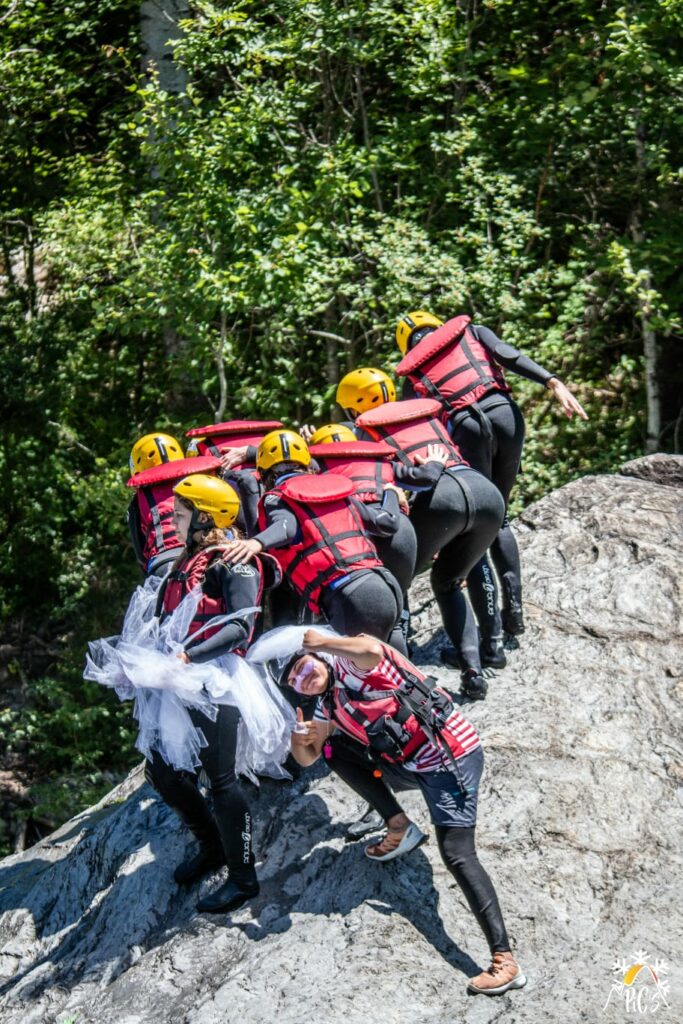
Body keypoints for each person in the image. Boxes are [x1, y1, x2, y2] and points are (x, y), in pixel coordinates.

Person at [86, 473, 294, 914]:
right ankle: (212, 845)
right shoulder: (187, 559)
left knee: (221, 781)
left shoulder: (234, 562)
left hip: (216, 678)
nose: (171, 520)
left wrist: (189, 656)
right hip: (178, 676)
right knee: (161, 771)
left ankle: (243, 878)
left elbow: (241, 624)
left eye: (180, 514)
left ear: (205, 518)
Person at [280, 627, 527, 998]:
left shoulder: (350, 664)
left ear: (318, 657)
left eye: (303, 667)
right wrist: (299, 742)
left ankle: (504, 961)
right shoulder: (328, 704)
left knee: (458, 854)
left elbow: (371, 649)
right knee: (334, 750)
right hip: (408, 764)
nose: (304, 678)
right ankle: (399, 826)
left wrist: (323, 642)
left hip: (449, 758)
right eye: (296, 680)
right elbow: (310, 756)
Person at [395, 312, 588, 650]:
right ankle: (515, 614)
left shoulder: (412, 374)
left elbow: (406, 427)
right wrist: (552, 381)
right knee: (503, 517)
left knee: (486, 522)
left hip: (466, 426)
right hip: (504, 413)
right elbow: (509, 356)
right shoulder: (473, 333)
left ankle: (492, 638)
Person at [354, 389, 505, 700]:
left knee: (398, 580)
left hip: (442, 499)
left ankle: (403, 672)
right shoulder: (428, 418)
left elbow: (402, 480)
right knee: (448, 581)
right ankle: (473, 671)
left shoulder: (369, 432)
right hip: (487, 493)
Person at [222, 429, 407, 649]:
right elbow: (388, 523)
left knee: (358, 678)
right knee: (399, 672)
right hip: (386, 585)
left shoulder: (276, 498)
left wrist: (256, 542)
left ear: (264, 473)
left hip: (350, 597)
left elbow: (287, 527)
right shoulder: (339, 490)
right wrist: (391, 494)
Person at [127, 432, 220, 578]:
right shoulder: (199, 478)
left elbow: (140, 549)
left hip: (165, 560)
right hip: (205, 552)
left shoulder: (139, 498)